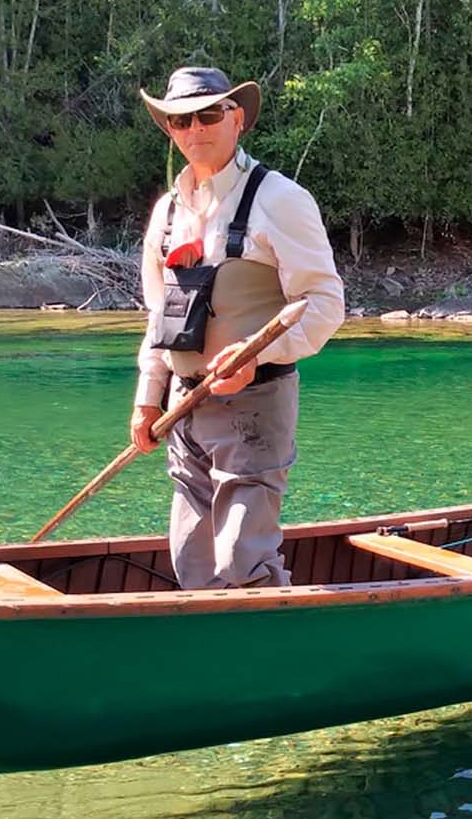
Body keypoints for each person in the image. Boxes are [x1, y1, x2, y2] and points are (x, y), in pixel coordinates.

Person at [129, 67, 344, 589]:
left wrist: (254, 355)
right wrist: (147, 396)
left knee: (241, 562)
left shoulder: (281, 199)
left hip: (255, 407)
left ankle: (274, 661)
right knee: (191, 561)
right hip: (184, 410)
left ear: (238, 118)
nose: (195, 128)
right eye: (181, 120)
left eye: (209, 114)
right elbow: (159, 318)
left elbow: (324, 303)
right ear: (170, 130)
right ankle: (214, 662)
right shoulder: (166, 212)